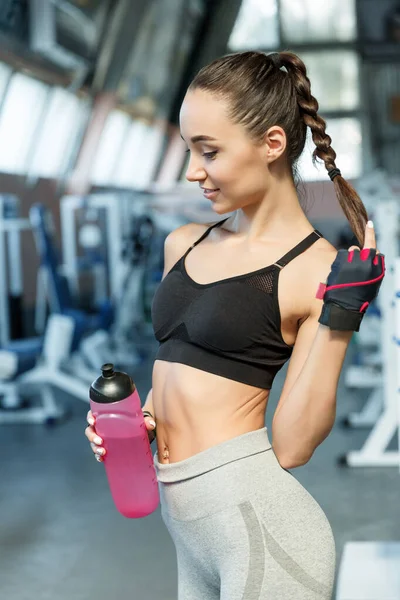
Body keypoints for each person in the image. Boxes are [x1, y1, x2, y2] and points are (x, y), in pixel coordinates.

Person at [85, 50, 385, 599]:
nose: (193, 171)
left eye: (209, 151)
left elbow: (293, 446)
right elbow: (184, 371)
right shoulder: (185, 243)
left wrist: (343, 313)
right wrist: (136, 422)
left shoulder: (313, 269)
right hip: (188, 527)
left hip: (260, 525)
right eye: (189, 150)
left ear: (272, 144)